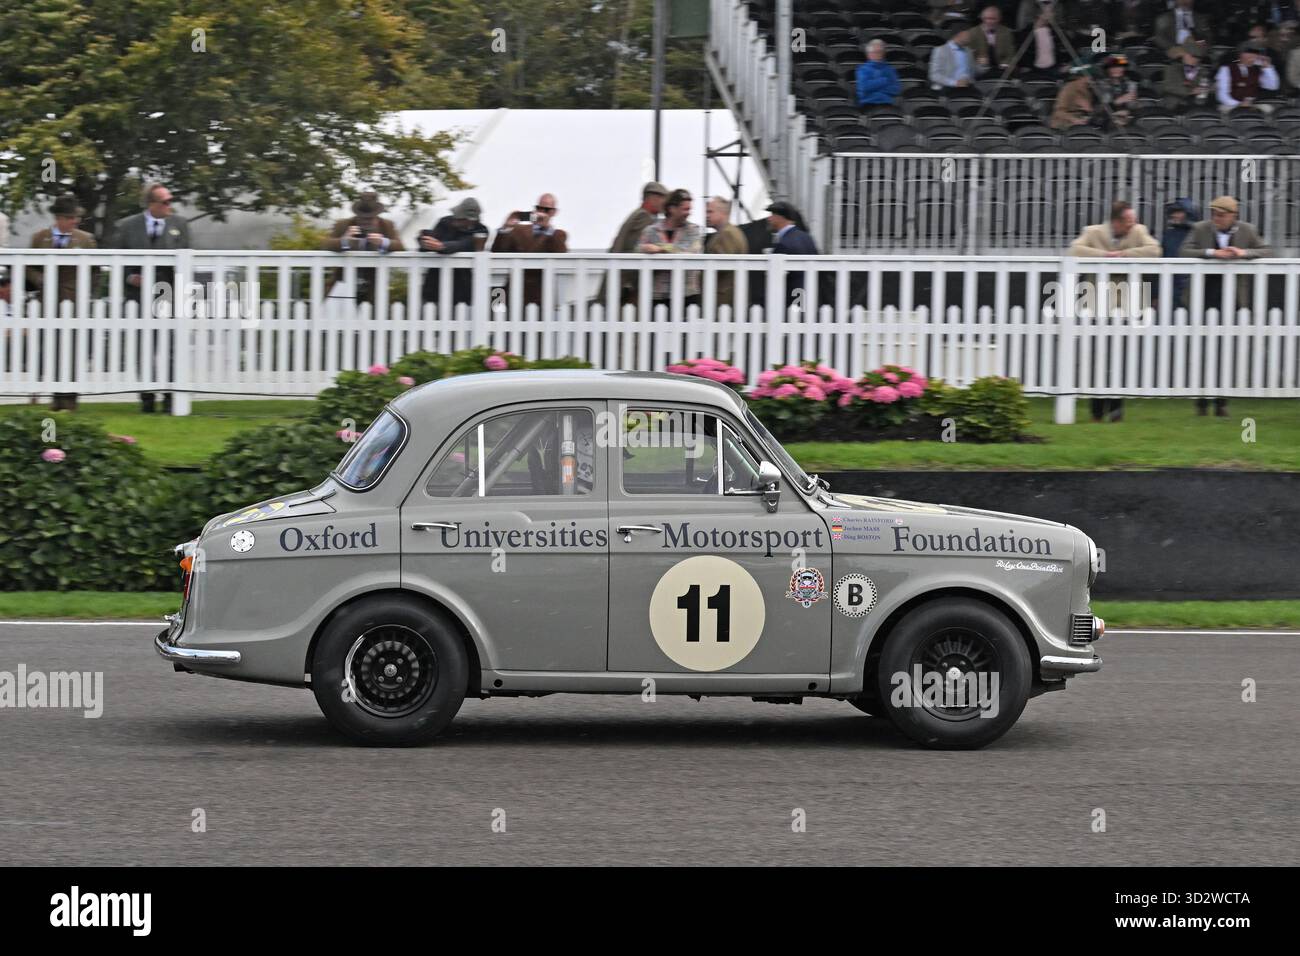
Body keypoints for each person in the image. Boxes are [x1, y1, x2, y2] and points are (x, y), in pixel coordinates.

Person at [1179, 195, 1273, 416]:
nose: (1216, 219)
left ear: (1233, 216)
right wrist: (1212, 253)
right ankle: (1201, 400)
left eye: (1221, 215)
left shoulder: (1247, 230)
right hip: (1203, 295)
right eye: (1214, 214)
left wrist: (1244, 253)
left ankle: (1221, 402)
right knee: (1201, 350)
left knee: (1226, 351)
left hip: (1233, 298)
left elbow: (1267, 250)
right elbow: (1184, 251)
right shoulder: (1201, 229)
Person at [1067, 201, 1161, 422]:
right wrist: (1105, 256)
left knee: (1121, 358)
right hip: (1096, 304)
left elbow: (1154, 250)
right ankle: (1096, 412)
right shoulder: (1093, 232)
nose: (1133, 225)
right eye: (1129, 221)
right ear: (1117, 221)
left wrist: (1124, 254)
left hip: (1126, 304)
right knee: (1097, 358)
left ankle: (1117, 411)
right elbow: (1074, 249)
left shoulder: (1139, 231)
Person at [110, 182, 192, 413]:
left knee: (170, 348)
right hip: (138, 297)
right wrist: (130, 277)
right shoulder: (127, 226)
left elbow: (186, 258)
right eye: (165, 202)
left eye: (170, 201)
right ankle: (147, 397)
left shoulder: (180, 224)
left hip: (168, 296)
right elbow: (117, 259)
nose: (169, 206)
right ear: (151, 204)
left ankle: (170, 397)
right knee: (143, 348)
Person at [27, 196, 97, 412]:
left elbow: (95, 271)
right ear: (58, 218)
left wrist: (86, 294)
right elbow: (28, 266)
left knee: (73, 351)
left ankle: (69, 400)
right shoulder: (40, 238)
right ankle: (52, 397)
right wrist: (39, 279)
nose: (74, 221)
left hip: (73, 303)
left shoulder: (86, 240)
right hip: (46, 302)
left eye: (76, 217)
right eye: (70, 217)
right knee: (48, 350)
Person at [490, 193, 568, 309]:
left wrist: (546, 228)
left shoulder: (558, 234)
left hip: (542, 294)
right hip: (515, 292)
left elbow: (561, 255)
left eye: (546, 209)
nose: (541, 212)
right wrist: (505, 229)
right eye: (538, 208)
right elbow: (497, 251)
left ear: (554, 213)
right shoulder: (518, 230)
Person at [418, 197, 489, 314]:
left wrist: (442, 246)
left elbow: (464, 244)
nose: (468, 223)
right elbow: (429, 240)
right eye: (465, 219)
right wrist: (425, 242)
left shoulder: (481, 230)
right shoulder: (444, 222)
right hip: (435, 283)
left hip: (462, 286)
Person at [602, 181, 667, 306]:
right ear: (653, 198)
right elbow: (635, 251)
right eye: (662, 199)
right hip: (626, 286)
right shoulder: (643, 217)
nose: (664, 204)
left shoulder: (637, 215)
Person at [638, 189, 703, 308]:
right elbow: (637, 250)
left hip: (687, 294)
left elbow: (692, 252)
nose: (689, 213)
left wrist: (659, 248)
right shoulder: (651, 231)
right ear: (672, 209)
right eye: (685, 209)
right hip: (657, 295)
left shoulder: (693, 230)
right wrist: (645, 249)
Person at [704, 196, 748, 310]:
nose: (706, 215)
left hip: (724, 299)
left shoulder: (728, 234)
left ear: (723, 213)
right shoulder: (727, 232)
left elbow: (722, 266)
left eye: (710, 212)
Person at [1216, 43, 1280, 112]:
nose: (1254, 56)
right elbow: (1222, 95)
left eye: (1256, 54)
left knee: (1268, 109)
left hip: (1252, 105)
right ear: (1241, 54)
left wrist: (1267, 67)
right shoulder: (1226, 69)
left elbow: (1273, 86)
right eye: (1250, 54)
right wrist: (1238, 104)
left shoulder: (1257, 70)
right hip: (1230, 105)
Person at [1162, 43, 1214, 110]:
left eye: (1198, 57)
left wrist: (1208, 88)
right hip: (1176, 101)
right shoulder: (1171, 68)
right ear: (1184, 55)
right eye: (1192, 56)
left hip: (1196, 102)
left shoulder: (1202, 70)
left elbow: (1206, 85)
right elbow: (1169, 87)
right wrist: (1190, 91)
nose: (1195, 60)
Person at [856, 39, 901, 109]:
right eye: (874, 52)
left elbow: (895, 90)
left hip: (886, 103)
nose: (877, 55)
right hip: (868, 103)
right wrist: (884, 80)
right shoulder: (863, 69)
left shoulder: (890, 69)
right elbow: (864, 87)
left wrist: (874, 89)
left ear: (883, 53)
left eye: (880, 52)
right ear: (869, 54)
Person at [969, 6, 1015, 74]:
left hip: (1000, 67)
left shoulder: (1006, 32)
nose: (990, 21)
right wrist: (977, 60)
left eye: (993, 19)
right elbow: (968, 53)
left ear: (999, 19)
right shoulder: (973, 32)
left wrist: (1004, 64)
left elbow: (1011, 54)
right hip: (980, 68)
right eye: (987, 18)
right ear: (982, 18)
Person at [1096, 54, 1138, 126]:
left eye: (1119, 66)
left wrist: (1132, 103)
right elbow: (1098, 110)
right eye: (1112, 67)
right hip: (1105, 121)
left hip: (1127, 119)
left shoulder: (1131, 84)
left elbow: (1133, 106)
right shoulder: (1100, 85)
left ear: (1124, 68)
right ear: (1107, 69)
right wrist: (1116, 102)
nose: (1116, 69)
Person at [928, 27, 975, 91]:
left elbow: (973, 71)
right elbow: (934, 75)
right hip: (946, 88)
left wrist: (983, 66)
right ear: (959, 35)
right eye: (967, 35)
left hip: (967, 87)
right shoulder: (940, 50)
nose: (970, 38)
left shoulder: (968, 51)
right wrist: (955, 83)